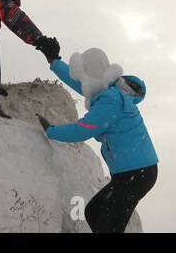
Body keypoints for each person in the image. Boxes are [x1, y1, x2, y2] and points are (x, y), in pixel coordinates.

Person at [36, 48, 158, 233]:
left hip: (136, 175)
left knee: (107, 227)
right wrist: (54, 62)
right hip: (129, 173)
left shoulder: (112, 100)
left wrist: (51, 131)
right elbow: (80, 83)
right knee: (94, 213)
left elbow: (84, 129)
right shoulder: (110, 92)